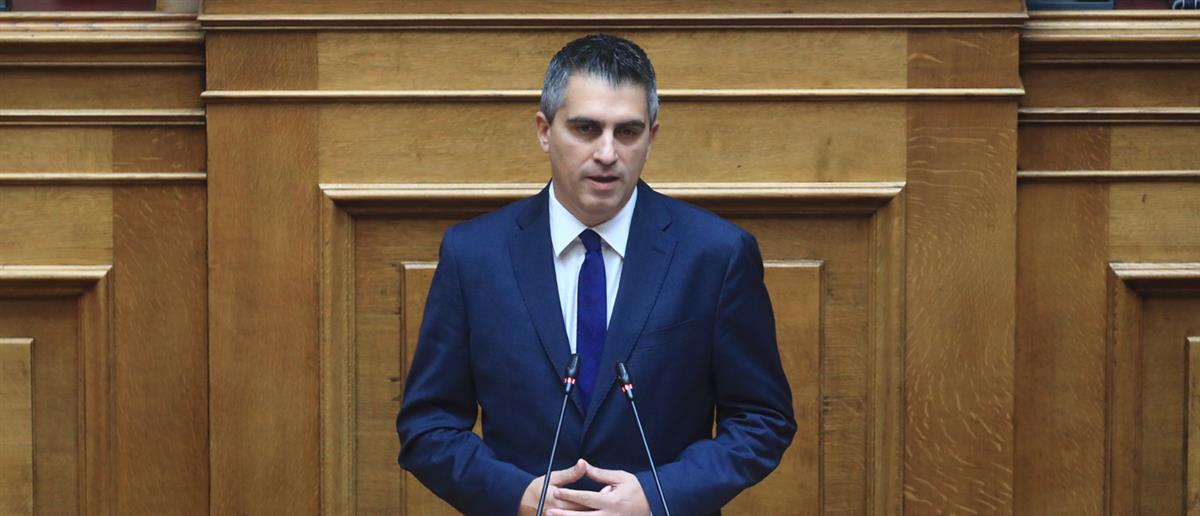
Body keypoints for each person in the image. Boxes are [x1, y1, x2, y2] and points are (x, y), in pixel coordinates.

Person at [396, 34, 796, 516]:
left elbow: (761, 420)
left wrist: (659, 496)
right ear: (544, 130)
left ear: (652, 137)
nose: (607, 153)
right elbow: (428, 426)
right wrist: (514, 495)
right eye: (586, 129)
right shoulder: (474, 254)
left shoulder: (716, 254)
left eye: (627, 132)